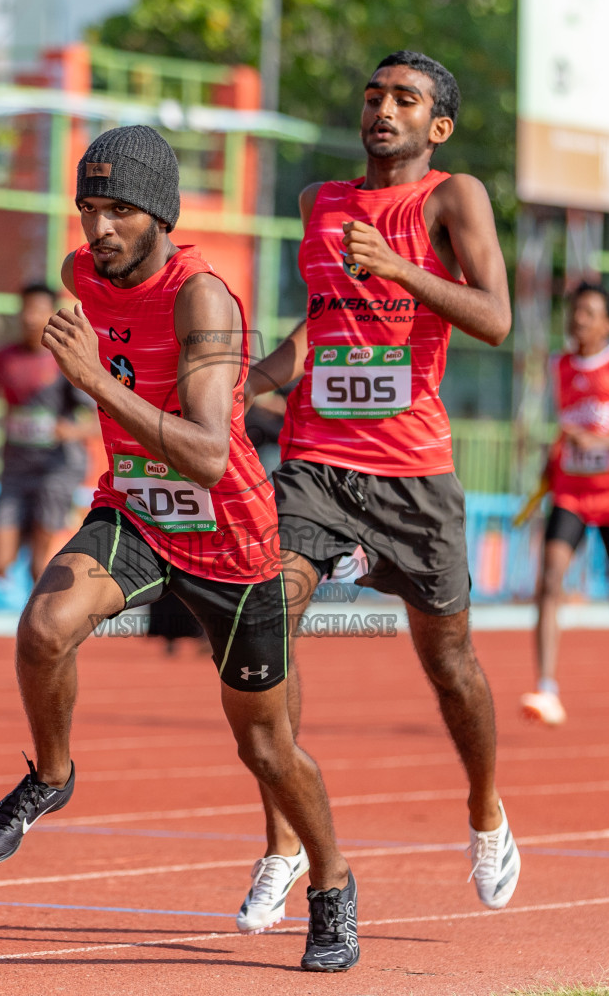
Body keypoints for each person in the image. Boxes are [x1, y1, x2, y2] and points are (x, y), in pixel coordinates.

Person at [0, 126, 361, 973]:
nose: (98, 229)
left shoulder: (202, 298)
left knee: (265, 748)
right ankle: (52, 777)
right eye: (88, 209)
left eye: (119, 211)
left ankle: (331, 884)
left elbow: (213, 452)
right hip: (136, 510)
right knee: (44, 627)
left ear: (162, 214)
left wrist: (95, 385)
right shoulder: (79, 276)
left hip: (230, 538)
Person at [240, 50, 520, 928]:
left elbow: (497, 320)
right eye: (373, 96)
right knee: (268, 622)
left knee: (450, 664)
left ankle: (486, 813)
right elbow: (321, 326)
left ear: (436, 125)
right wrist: (253, 381)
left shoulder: (451, 197)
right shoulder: (318, 203)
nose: (383, 110)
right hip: (316, 461)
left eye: (405, 99)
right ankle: (286, 840)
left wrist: (399, 270)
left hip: (412, 473)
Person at [520, 284, 609, 728]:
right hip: (571, 493)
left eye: (589, 312)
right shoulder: (560, 365)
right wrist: (554, 455)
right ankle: (547, 689)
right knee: (549, 579)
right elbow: (570, 426)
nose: (578, 319)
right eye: (574, 311)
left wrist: (601, 441)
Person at [0, 284, 95, 580]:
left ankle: (41, 621)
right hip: (15, 469)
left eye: (38, 310)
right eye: (25, 309)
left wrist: (72, 431)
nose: (30, 317)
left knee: (40, 566)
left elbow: (101, 417)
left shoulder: (67, 359)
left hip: (56, 469)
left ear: (53, 314)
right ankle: (25, 528)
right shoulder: (3, 359)